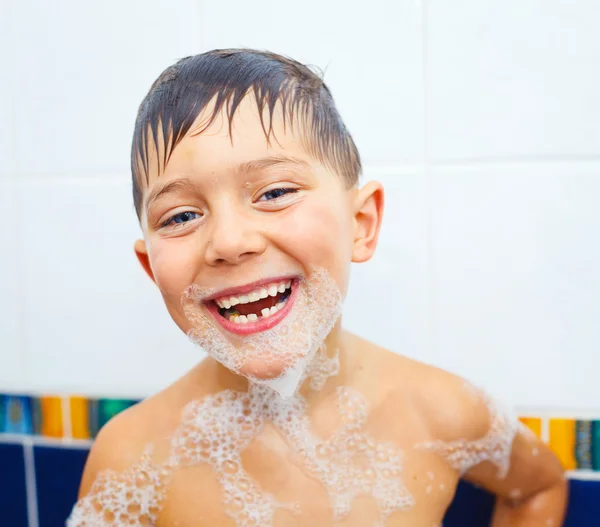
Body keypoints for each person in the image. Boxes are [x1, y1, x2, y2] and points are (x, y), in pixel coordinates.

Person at [69, 49, 567, 527]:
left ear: (361, 224)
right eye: (180, 216)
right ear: (152, 269)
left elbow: (539, 489)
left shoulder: (442, 411)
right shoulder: (131, 461)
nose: (229, 241)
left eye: (275, 192)